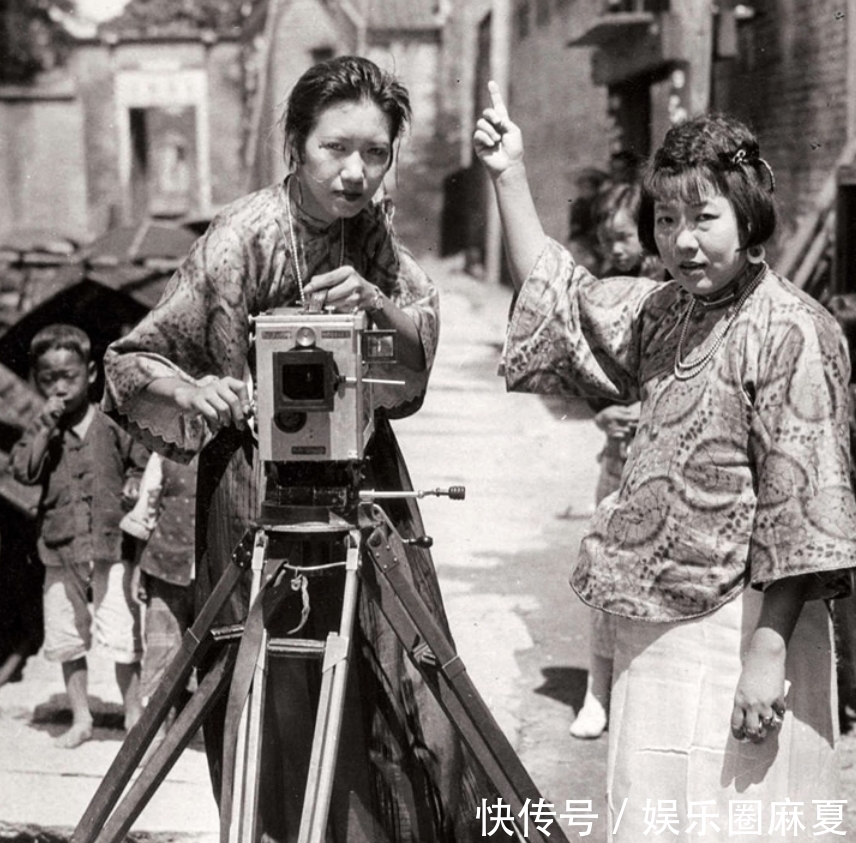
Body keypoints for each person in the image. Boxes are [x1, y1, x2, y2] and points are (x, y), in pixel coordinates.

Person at [102, 56, 480, 842]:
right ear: (295, 145)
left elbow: (417, 351)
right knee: (275, 701)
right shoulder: (242, 238)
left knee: (401, 690)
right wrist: (191, 390)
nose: (355, 172)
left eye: (375, 153)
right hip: (254, 490)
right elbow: (129, 361)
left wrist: (376, 302)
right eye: (335, 148)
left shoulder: (370, 233)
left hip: (362, 482)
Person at [474, 84, 856, 838]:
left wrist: (766, 653)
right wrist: (509, 176)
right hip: (656, 624)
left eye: (704, 217)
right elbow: (565, 302)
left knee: (745, 821)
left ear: (749, 216)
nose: (683, 240)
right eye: (667, 218)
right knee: (652, 817)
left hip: (749, 623)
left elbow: (803, 508)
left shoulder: (794, 331)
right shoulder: (664, 309)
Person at [10, 324, 148, 748]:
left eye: (68, 377)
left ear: (89, 373)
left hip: (110, 547)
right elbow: (24, 470)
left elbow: (141, 461)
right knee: (67, 636)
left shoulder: (111, 423)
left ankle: (134, 715)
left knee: (123, 636)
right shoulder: (41, 430)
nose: (60, 387)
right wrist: (45, 424)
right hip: (60, 548)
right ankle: (81, 718)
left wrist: (134, 481)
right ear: (37, 380)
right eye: (49, 379)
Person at [568, 181, 664, 740]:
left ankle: (639, 689)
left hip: (662, 458)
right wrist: (603, 411)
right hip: (619, 455)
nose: (617, 251)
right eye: (608, 242)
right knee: (605, 571)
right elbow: (590, 367)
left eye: (625, 238)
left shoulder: (674, 290)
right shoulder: (604, 292)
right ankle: (595, 691)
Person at [121, 450, 197, 755]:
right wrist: (139, 569)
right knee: (161, 653)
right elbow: (146, 513)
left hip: (214, 573)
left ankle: (200, 732)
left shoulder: (235, 451)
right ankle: (154, 736)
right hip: (165, 568)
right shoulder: (163, 456)